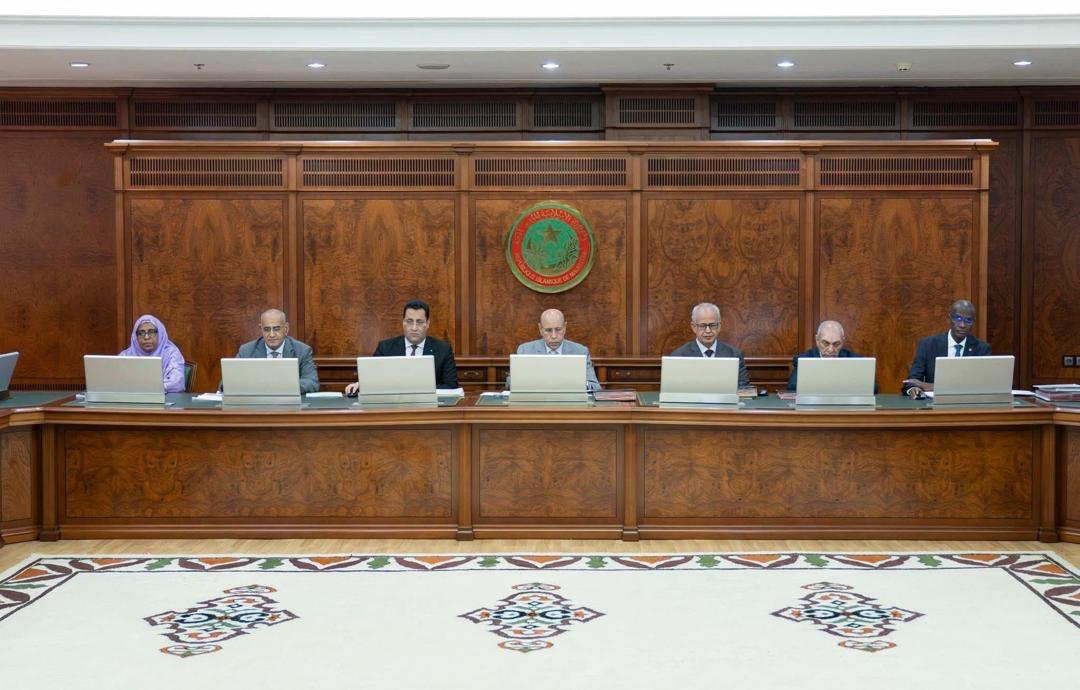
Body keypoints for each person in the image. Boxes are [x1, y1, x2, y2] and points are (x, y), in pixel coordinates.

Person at [345, 299, 458, 395]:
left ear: (427, 323)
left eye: (419, 322)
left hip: (429, 407)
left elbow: (451, 386)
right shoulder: (385, 348)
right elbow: (373, 380)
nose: (414, 328)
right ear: (403, 323)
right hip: (394, 407)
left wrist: (419, 392)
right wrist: (362, 384)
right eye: (409, 321)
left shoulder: (443, 349)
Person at [903, 299, 991, 398]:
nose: (962, 325)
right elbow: (912, 381)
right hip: (933, 404)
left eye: (968, 320)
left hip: (968, 403)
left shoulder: (982, 349)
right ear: (949, 319)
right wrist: (914, 389)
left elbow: (984, 385)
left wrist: (933, 386)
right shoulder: (928, 344)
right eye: (958, 318)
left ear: (973, 322)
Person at [510, 308, 601, 391]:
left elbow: (595, 386)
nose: (554, 336)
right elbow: (510, 383)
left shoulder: (580, 351)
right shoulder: (525, 350)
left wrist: (578, 384)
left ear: (565, 327)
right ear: (540, 329)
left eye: (558, 329)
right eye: (548, 330)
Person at [234, 309, 319, 393]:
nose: (272, 335)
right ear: (261, 329)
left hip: (288, 400)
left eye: (276, 329)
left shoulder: (302, 351)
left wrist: (282, 386)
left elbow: (312, 383)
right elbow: (230, 382)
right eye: (267, 329)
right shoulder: (246, 351)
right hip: (258, 401)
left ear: (286, 329)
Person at [670, 302, 750, 388]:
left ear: (719, 326)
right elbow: (674, 389)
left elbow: (744, 389)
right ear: (694, 327)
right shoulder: (679, 356)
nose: (708, 331)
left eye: (712, 325)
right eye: (702, 326)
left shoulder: (734, 355)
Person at [787, 320, 878, 392]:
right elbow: (792, 387)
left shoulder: (856, 360)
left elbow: (873, 388)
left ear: (843, 341)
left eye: (836, 344)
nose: (831, 350)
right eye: (825, 343)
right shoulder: (804, 359)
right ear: (817, 340)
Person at [119, 314, 186, 393]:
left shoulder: (171, 353)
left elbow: (177, 383)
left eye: (151, 332)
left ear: (160, 333)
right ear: (135, 336)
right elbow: (115, 382)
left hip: (164, 398)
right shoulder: (126, 356)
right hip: (131, 399)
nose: (146, 337)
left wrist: (145, 388)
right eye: (141, 333)